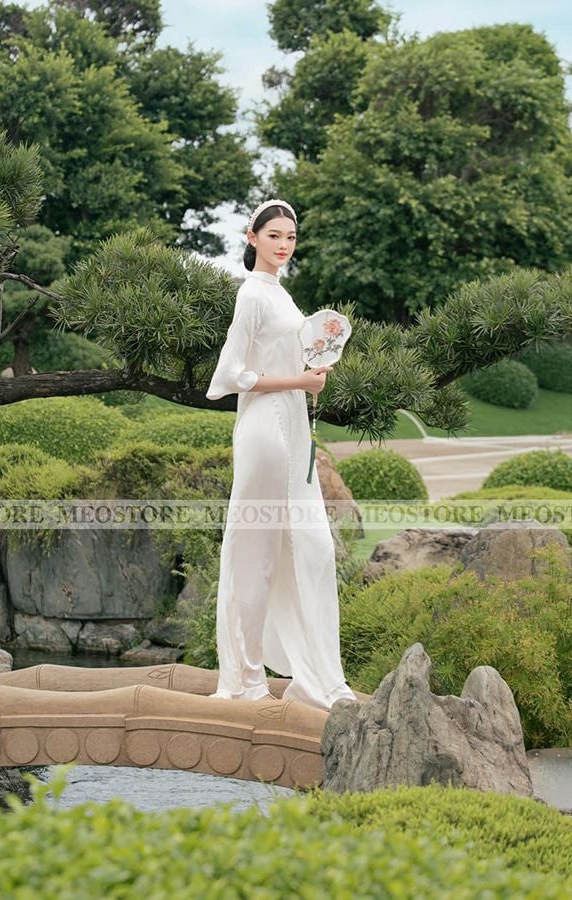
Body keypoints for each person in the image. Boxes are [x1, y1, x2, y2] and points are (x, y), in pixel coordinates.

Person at [205, 198, 357, 710]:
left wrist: (312, 374)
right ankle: (245, 679)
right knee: (256, 555)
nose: (284, 244)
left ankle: (316, 679)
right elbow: (231, 375)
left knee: (312, 548)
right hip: (265, 434)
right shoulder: (251, 294)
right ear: (252, 238)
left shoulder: (281, 294)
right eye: (274, 236)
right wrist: (299, 381)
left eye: (290, 237)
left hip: (292, 432)